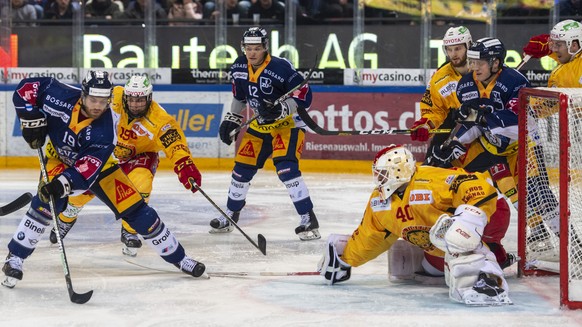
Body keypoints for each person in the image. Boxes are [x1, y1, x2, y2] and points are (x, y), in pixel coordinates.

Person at [2, 71, 206, 288]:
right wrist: (29, 117)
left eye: (103, 101)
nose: (98, 106)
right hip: (59, 158)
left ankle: (180, 258)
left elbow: (86, 171)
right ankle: (15, 257)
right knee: (47, 203)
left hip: (101, 166)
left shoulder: (105, 130)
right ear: (83, 94)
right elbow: (25, 89)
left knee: (137, 210)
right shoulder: (57, 94)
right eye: (93, 99)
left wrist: (60, 185)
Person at [318, 145, 512, 306]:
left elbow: (479, 186)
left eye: (383, 174)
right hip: (442, 239)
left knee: (457, 237)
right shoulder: (380, 201)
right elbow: (371, 236)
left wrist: (470, 219)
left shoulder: (430, 179)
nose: (379, 180)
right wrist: (345, 259)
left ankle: (485, 280)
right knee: (431, 266)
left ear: (399, 169)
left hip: (491, 212)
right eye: (378, 174)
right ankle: (494, 255)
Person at [47, 75, 202, 257]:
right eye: (132, 99)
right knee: (82, 188)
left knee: (141, 185)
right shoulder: (113, 97)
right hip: (107, 153)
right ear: (125, 96)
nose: (135, 104)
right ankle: (67, 216)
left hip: (140, 156)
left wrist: (185, 165)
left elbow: (176, 145)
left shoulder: (161, 120)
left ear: (149, 98)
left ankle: (130, 229)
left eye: (140, 100)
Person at [214, 26, 319, 241]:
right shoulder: (239, 66)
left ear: (265, 48)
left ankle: (308, 219)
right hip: (259, 127)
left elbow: (305, 96)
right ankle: (231, 215)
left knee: (286, 170)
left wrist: (281, 109)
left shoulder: (281, 67)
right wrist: (232, 118)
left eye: (257, 48)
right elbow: (240, 97)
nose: (252, 53)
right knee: (241, 170)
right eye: (248, 48)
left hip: (287, 126)